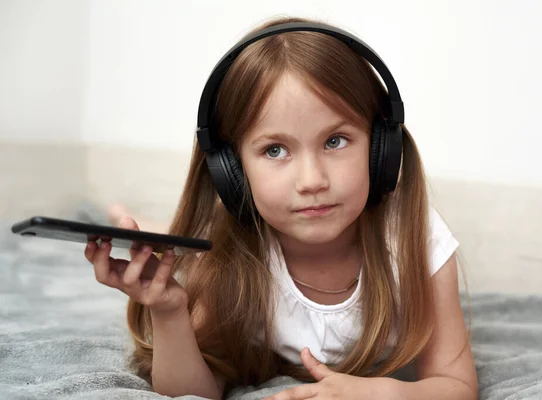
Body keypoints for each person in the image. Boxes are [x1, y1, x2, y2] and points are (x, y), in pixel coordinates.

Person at [85, 16, 478, 400]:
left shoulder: (416, 239)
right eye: (275, 150)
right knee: (192, 243)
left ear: (382, 150)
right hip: (223, 235)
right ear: (233, 173)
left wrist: (380, 392)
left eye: (336, 141)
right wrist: (169, 312)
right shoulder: (231, 252)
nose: (311, 181)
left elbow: (455, 385)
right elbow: (192, 391)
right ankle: (137, 218)